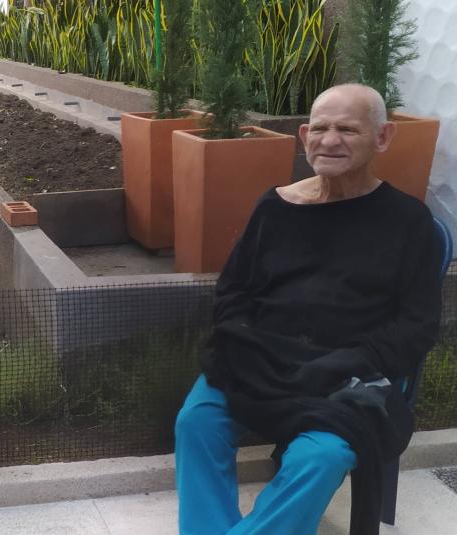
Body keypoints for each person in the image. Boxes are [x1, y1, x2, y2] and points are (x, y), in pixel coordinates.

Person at [173, 84, 442, 535]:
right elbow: (233, 290)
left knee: (321, 456)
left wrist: (350, 360)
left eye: (348, 130)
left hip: (344, 373)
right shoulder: (275, 206)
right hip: (257, 359)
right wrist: (243, 340)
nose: (330, 141)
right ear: (303, 136)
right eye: (320, 128)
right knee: (196, 423)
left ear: (383, 137)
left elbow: (417, 325)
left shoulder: (408, 222)